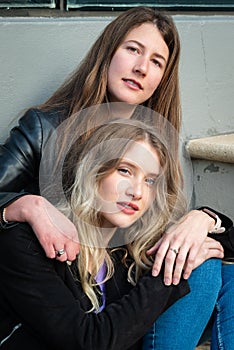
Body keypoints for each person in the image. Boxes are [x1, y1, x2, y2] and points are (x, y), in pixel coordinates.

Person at [0, 6, 233, 349]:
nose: (142, 67)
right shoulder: (45, 128)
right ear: (108, 52)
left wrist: (202, 220)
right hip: (67, 286)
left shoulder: (154, 142)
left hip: (121, 280)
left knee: (213, 269)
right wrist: (26, 205)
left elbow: (182, 238)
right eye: (133, 49)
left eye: (157, 61)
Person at [0, 119, 191, 349]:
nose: (137, 191)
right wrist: (168, 272)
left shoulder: (127, 252)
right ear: (93, 169)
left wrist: (204, 219)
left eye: (150, 181)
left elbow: (227, 242)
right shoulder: (25, 241)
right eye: (124, 170)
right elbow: (86, 342)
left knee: (215, 271)